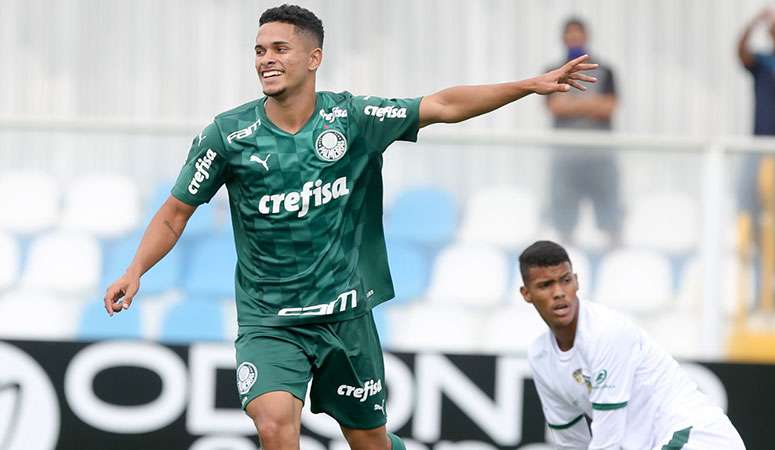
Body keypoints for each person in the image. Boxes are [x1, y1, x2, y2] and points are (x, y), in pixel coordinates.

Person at [103, 4, 599, 450]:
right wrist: (136, 268)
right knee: (275, 424)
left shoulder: (353, 118)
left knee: (369, 441)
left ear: (314, 58)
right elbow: (175, 212)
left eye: (280, 48)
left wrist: (528, 86)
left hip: (344, 317)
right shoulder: (229, 135)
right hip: (269, 321)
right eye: (258, 51)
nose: (265, 59)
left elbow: (443, 106)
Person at [518, 240, 745, 449]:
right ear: (526, 294)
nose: (559, 293)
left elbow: (608, 437)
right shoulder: (541, 356)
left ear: (576, 281)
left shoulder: (605, 332)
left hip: (697, 436)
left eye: (565, 280)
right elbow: (570, 442)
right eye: (546, 285)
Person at [736, 8, 775, 304]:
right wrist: (756, 21)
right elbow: (741, 52)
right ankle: (756, 278)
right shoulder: (762, 62)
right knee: (750, 214)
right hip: (760, 151)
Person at [546, 17, 621, 247]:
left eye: (578, 35)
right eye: (570, 35)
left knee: (608, 212)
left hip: (600, 156)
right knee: (565, 218)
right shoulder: (551, 72)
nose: (574, 40)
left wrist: (572, 104)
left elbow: (608, 107)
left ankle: (614, 258)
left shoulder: (605, 71)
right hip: (566, 158)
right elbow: (555, 107)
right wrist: (591, 103)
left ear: (586, 37)